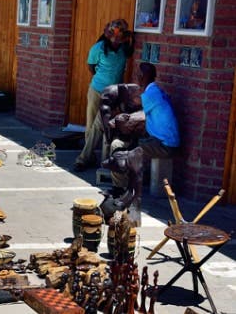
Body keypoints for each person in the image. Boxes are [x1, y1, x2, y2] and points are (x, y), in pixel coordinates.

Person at [101, 63, 180, 223]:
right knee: (124, 146)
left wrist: (118, 120)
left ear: (142, 77)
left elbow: (137, 113)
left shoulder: (150, 94)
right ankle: (121, 187)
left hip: (165, 145)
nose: (136, 76)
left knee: (126, 155)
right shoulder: (155, 90)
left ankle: (121, 190)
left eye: (138, 74)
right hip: (161, 140)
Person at [73, 19, 134, 172]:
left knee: (102, 125)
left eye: (119, 39)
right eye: (115, 38)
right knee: (91, 123)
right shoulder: (98, 48)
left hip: (114, 93)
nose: (117, 41)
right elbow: (91, 67)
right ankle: (89, 157)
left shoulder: (123, 49)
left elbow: (130, 47)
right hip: (97, 90)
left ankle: (89, 158)